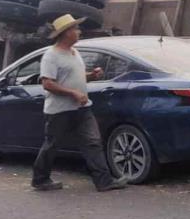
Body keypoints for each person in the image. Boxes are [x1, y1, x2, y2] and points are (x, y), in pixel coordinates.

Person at [31, 14, 128, 192]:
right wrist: (73, 93)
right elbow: (47, 83)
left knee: (93, 142)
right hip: (59, 111)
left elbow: (71, 77)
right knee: (52, 145)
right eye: (75, 29)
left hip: (82, 107)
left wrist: (90, 76)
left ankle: (104, 181)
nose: (79, 31)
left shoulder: (75, 52)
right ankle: (40, 179)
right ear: (66, 33)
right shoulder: (51, 56)